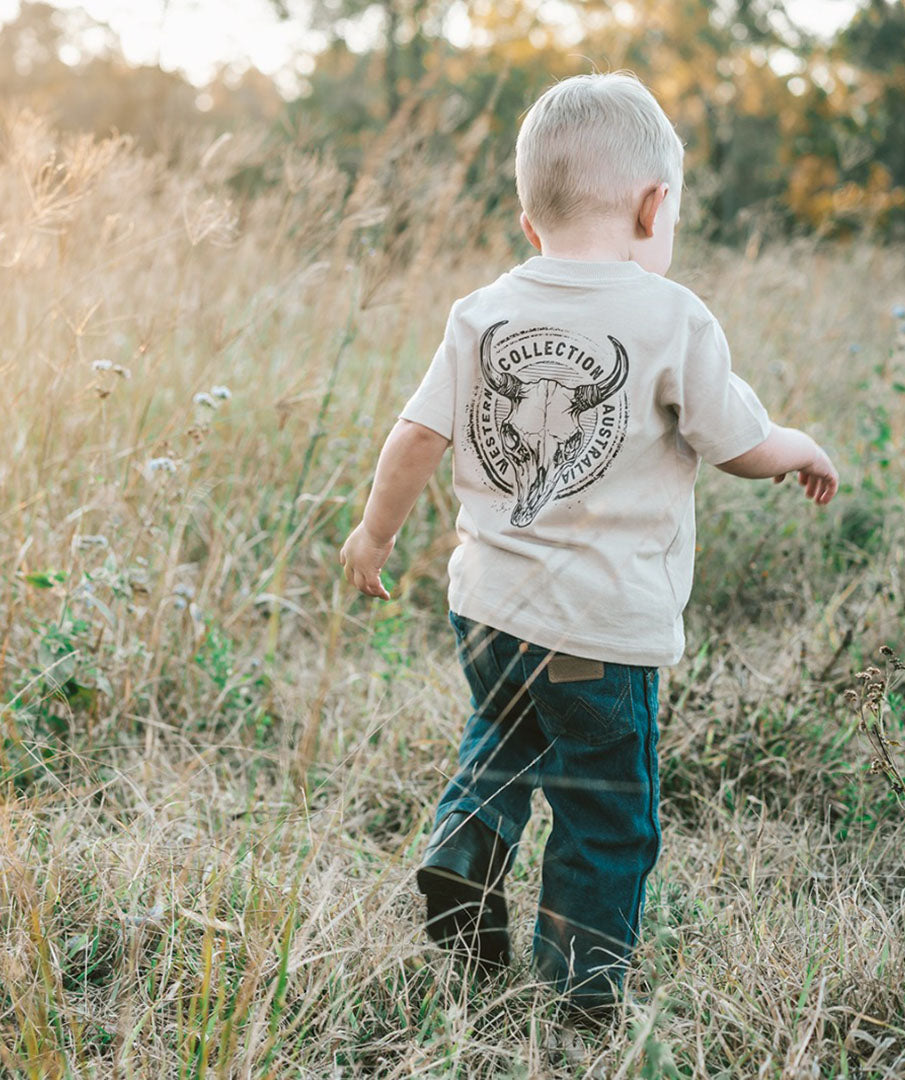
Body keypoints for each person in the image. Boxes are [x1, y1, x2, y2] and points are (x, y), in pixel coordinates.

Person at [338, 71, 839, 1019]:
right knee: (606, 812)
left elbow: (414, 438)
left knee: (503, 742)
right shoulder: (672, 316)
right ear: (656, 207)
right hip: (599, 638)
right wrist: (801, 447)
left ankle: (464, 847)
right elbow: (738, 447)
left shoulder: (481, 311)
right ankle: (578, 993)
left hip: (487, 612)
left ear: (532, 223)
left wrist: (374, 534)